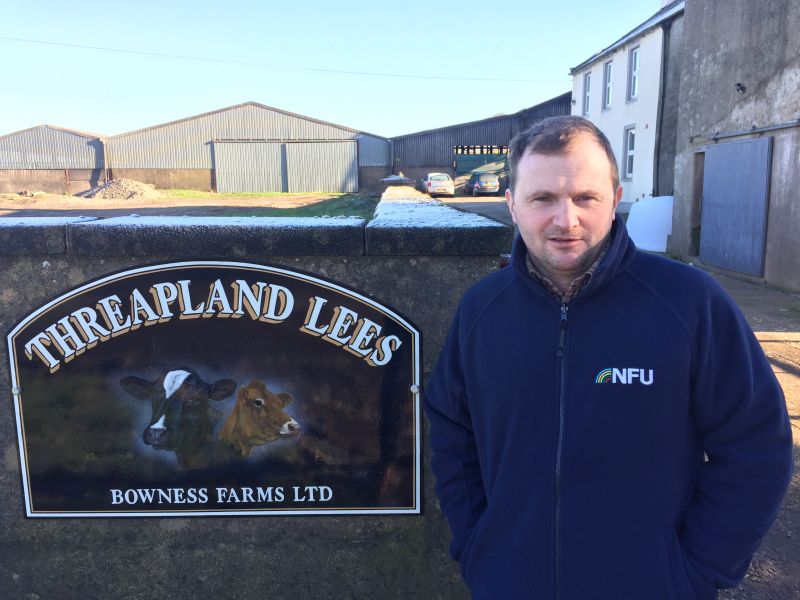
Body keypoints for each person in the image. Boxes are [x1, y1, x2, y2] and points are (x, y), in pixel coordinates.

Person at [424, 116, 792, 599]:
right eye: (543, 199)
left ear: (615, 200)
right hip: (509, 583)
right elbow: (453, 431)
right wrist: (479, 547)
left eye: (585, 198)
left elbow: (756, 446)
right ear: (512, 205)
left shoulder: (688, 303)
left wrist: (698, 571)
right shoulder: (482, 308)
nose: (566, 219)